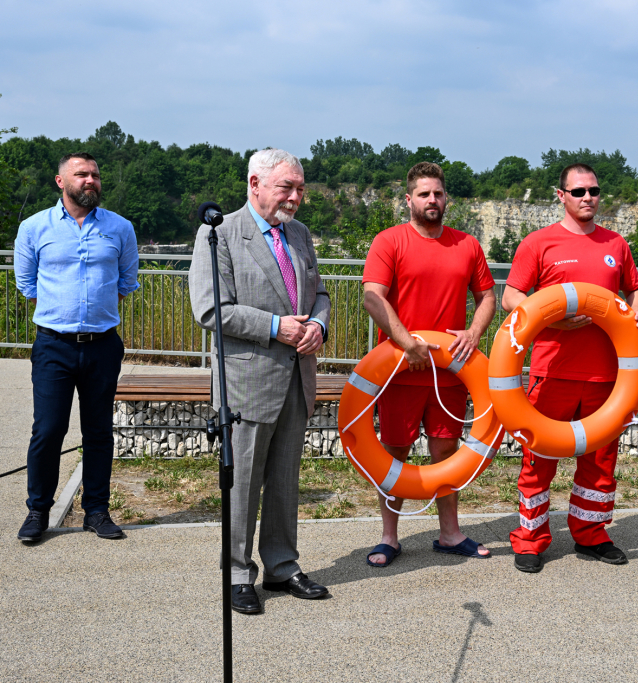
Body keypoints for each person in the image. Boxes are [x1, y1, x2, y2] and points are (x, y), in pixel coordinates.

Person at [189, 149, 331, 613]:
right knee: (243, 484)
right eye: (286, 187)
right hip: (248, 381)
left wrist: (318, 327)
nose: (295, 198)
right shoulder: (219, 233)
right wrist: (277, 327)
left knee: (285, 481)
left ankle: (282, 567)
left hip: (296, 379)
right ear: (254, 184)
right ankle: (236, 573)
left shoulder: (301, 234)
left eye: (300, 189)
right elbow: (212, 309)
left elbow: (320, 293)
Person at [500, 163, 638, 574]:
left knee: (601, 461)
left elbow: (637, 290)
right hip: (554, 371)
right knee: (539, 458)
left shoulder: (615, 244)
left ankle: (592, 534)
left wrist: (637, 316)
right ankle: (530, 540)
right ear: (561, 195)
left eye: (594, 191)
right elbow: (513, 296)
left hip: (607, 376)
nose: (587, 198)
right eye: (578, 191)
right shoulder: (539, 243)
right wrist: (549, 317)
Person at [361, 162, 497, 567]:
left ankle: (450, 534)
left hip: (451, 371)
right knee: (394, 453)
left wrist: (473, 334)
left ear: (446, 198)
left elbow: (487, 296)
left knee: (446, 450)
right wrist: (407, 343)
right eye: (424, 194)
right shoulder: (389, 241)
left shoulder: (467, 245)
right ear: (409, 200)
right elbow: (373, 296)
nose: (432, 201)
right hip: (400, 372)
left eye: (437, 193)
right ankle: (389, 537)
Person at [14, 152, 140, 544]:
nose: (90, 181)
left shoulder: (120, 229)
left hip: (102, 345)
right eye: (81, 174)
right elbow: (27, 284)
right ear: (60, 181)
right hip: (53, 345)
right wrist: (64, 319)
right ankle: (38, 511)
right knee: (48, 430)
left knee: (99, 431)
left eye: (96, 175)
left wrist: (92, 321)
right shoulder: (35, 228)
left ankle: (97, 511)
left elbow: (126, 282)